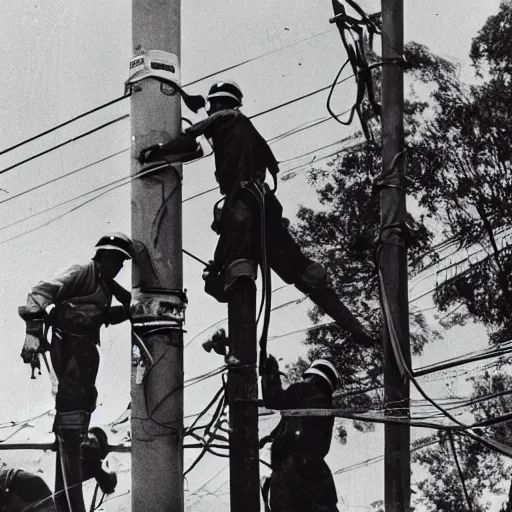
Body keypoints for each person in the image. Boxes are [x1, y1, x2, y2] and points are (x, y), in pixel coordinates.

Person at [139, 80, 376, 348]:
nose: (208, 113)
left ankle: (241, 354)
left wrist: (157, 151)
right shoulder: (245, 129)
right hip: (264, 209)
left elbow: (189, 139)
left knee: (235, 275)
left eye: (210, 107)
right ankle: (355, 327)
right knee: (301, 272)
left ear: (218, 103)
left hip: (242, 207)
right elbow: (200, 150)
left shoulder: (225, 116)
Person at [18, 233, 133, 512]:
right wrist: (33, 332)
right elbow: (40, 292)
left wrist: (128, 302)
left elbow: (104, 315)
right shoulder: (82, 272)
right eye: (117, 261)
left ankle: (66, 492)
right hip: (67, 346)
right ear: (104, 256)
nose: (119, 267)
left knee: (83, 406)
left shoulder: (104, 286)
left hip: (84, 352)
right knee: (71, 416)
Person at [261, 355, 340, 512]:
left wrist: (271, 373)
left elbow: (273, 399)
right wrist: (270, 436)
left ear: (312, 377)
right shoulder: (325, 405)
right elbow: (294, 423)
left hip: (292, 470)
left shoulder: (303, 391)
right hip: (318, 473)